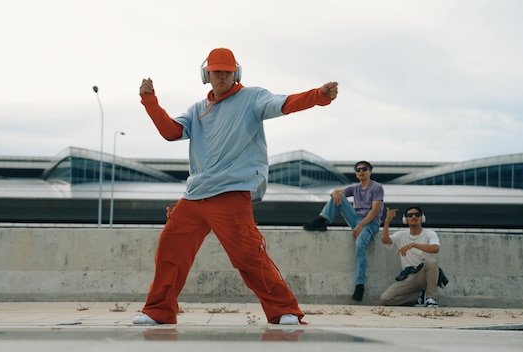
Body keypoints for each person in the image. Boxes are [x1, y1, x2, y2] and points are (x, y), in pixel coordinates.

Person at [132, 47, 338, 326]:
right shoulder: (197, 110)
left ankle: (284, 310)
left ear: (236, 73)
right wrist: (150, 101)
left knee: (248, 257)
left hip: (231, 194)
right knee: (170, 250)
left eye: (227, 72)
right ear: (206, 74)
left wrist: (319, 95)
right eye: (217, 72)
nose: (222, 76)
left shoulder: (252, 98)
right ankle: (158, 311)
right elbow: (170, 132)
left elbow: (285, 103)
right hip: (195, 197)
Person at [303, 161, 383, 302]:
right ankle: (322, 220)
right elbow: (337, 192)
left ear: (370, 171)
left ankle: (360, 285)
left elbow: (375, 210)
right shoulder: (355, 188)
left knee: (360, 246)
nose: (361, 171)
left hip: (370, 222)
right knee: (338, 197)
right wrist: (334, 192)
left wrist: (360, 226)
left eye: (364, 169)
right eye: (358, 170)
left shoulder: (376, 187)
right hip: (356, 219)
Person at [379, 206, 443, 307]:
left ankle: (431, 298)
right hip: (409, 277)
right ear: (405, 219)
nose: (414, 217)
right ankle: (418, 296)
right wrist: (387, 221)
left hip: (424, 275)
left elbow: (435, 248)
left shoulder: (429, 233)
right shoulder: (401, 235)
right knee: (385, 299)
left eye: (417, 215)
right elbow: (385, 240)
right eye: (410, 215)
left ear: (422, 218)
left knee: (431, 262)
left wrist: (414, 245)